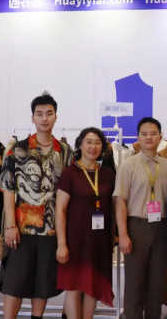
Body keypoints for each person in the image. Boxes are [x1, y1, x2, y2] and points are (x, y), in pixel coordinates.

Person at [0, 92, 73, 319]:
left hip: (51, 229)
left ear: (56, 117)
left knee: (43, 282)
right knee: (15, 282)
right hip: (22, 229)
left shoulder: (65, 152)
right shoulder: (18, 150)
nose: (44, 118)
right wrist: (10, 225)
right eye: (39, 114)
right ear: (32, 118)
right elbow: (8, 189)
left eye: (49, 113)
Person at [114, 117, 167, 319]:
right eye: (144, 134)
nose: (149, 137)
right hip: (136, 227)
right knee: (134, 283)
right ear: (138, 137)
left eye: (153, 133)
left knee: (156, 284)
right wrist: (123, 235)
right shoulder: (128, 165)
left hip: (162, 228)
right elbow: (120, 201)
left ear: (160, 137)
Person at [56, 127, 116, 319]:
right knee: (74, 286)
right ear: (80, 145)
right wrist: (62, 244)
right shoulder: (70, 173)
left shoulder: (108, 173)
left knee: (93, 286)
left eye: (97, 143)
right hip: (75, 239)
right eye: (89, 142)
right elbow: (60, 209)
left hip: (99, 239)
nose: (93, 147)